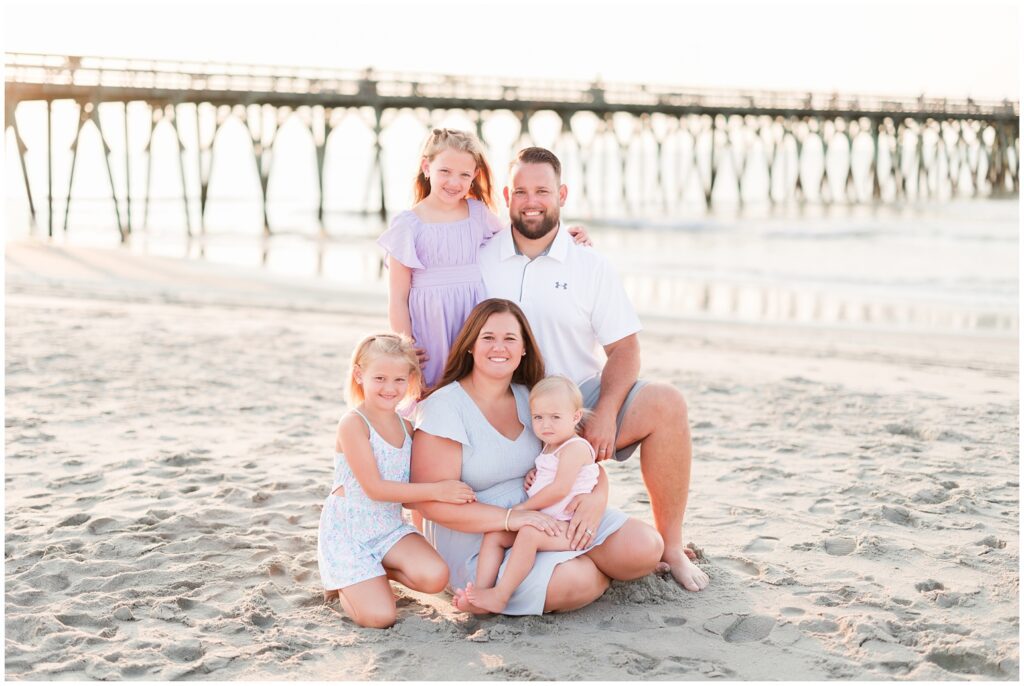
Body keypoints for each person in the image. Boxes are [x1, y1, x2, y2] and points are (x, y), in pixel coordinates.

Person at [478, 147, 711, 592]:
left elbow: (624, 349)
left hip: (577, 405)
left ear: (561, 195)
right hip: (506, 407)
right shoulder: (482, 256)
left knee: (666, 404)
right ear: (506, 195)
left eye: (542, 191)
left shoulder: (590, 264)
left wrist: (604, 411)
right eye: (522, 191)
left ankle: (673, 547)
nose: (532, 201)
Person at [409, 299, 665, 616]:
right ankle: (570, 575)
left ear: (524, 349)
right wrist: (510, 518)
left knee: (645, 547)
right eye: (488, 337)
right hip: (478, 535)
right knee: (579, 579)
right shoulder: (444, 407)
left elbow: (578, 456)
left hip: (550, 512)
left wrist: (597, 498)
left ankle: (593, 565)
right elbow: (431, 504)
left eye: (510, 339)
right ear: (470, 346)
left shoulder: (532, 397)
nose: (498, 347)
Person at [377, 128, 591, 390]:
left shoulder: (478, 215)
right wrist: (405, 345)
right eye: (445, 171)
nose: (454, 182)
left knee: (473, 388)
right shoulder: (408, 225)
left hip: (473, 318)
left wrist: (563, 235)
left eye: (464, 175)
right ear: (426, 167)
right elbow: (398, 297)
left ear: (474, 176)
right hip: (431, 323)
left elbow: (520, 237)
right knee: (431, 391)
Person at [317, 333, 476, 628]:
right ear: (359, 375)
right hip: (350, 529)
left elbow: (407, 494)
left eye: (399, 380)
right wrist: (439, 491)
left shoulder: (408, 427)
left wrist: (420, 531)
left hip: (388, 527)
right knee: (381, 617)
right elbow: (374, 489)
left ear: (410, 379)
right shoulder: (353, 423)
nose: (390, 388)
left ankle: (377, 571)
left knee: (436, 577)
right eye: (380, 378)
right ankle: (345, 579)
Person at [464, 375, 601, 613]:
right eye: (538, 417)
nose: (546, 425)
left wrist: (521, 510)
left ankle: (501, 594)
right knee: (495, 534)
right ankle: (482, 590)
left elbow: (560, 488)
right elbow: (548, 473)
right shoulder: (551, 445)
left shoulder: (575, 448)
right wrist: (533, 473)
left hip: (571, 527)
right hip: (551, 522)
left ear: (575, 417)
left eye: (555, 417)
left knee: (528, 534)